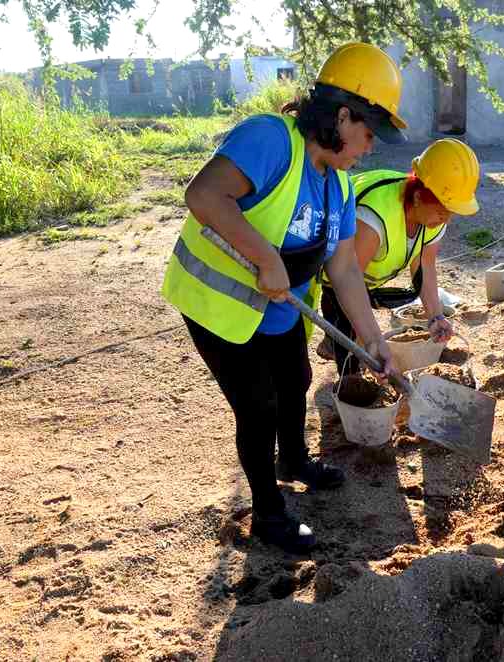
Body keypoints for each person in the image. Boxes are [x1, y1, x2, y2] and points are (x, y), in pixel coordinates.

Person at [160, 42, 406, 554]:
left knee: (296, 377)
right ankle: (268, 515)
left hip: (278, 306)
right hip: (220, 306)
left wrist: (375, 339)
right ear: (342, 117)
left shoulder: (337, 184)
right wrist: (265, 257)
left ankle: (293, 460)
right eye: (367, 133)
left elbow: (342, 268)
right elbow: (203, 195)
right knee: (258, 406)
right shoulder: (270, 139)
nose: (369, 147)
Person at [317, 138, 481, 373]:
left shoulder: (432, 216)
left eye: (451, 212)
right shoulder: (373, 217)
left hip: (365, 278)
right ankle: (348, 382)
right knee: (351, 342)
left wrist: (435, 317)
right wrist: (370, 340)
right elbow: (345, 277)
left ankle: (334, 344)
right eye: (442, 211)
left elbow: (425, 264)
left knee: (358, 337)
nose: (446, 220)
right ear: (417, 197)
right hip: (341, 274)